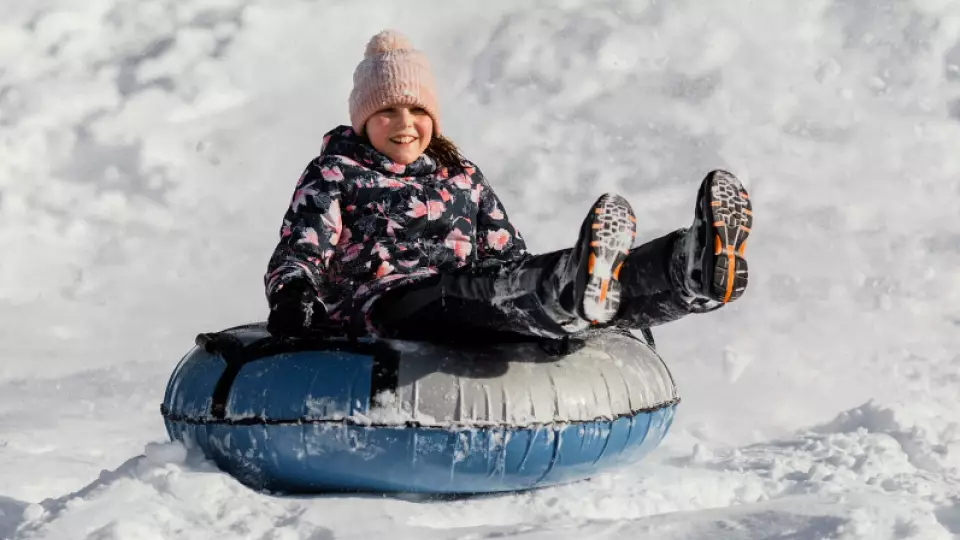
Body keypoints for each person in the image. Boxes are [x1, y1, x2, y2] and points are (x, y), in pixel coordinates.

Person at [264, 30, 752, 344]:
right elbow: (301, 250)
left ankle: (686, 272)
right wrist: (293, 297)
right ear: (363, 120)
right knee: (485, 291)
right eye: (387, 111)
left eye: (418, 111)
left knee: (518, 280)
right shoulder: (336, 173)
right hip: (387, 305)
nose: (404, 124)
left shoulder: (462, 176)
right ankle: (571, 293)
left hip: (468, 295)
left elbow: (505, 251)